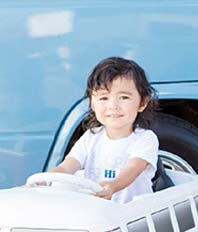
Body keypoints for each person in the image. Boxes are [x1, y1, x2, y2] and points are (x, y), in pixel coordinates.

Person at [51, 57, 159, 202]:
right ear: (92, 103)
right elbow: (68, 166)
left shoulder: (145, 139)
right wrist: (51, 177)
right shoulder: (90, 137)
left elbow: (133, 169)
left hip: (134, 216)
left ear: (142, 102)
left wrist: (113, 186)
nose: (113, 106)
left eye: (124, 97)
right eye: (103, 98)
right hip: (100, 214)